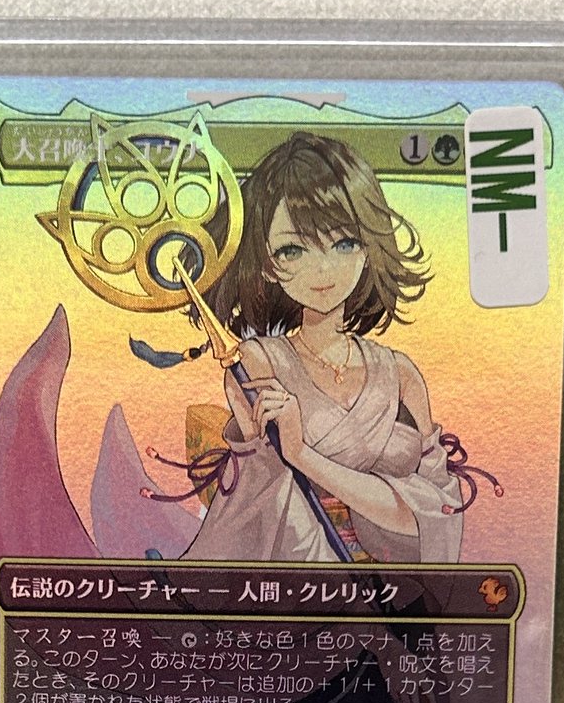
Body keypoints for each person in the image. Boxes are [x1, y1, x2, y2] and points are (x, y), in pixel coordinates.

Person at [181, 132, 468, 564]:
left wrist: (302, 455)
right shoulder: (257, 364)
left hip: (399, 586)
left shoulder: (401, 373)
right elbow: (261, 507)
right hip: (304, 583)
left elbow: (438, 517)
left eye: (344, 243)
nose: (322, 268)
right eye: (292, 250)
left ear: (369, 249)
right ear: (266, 265)